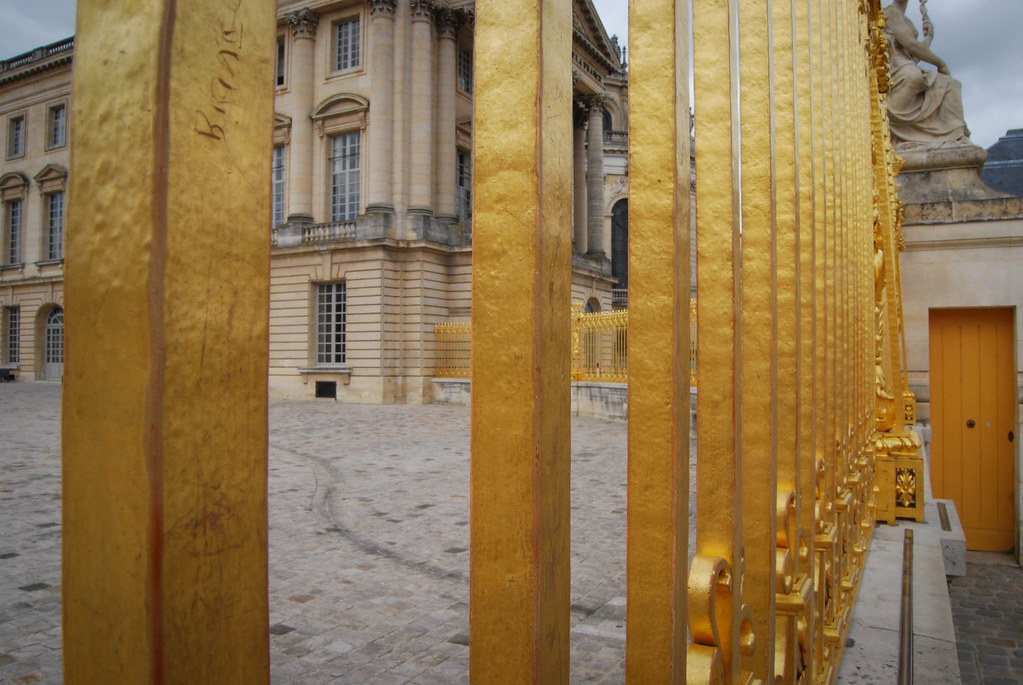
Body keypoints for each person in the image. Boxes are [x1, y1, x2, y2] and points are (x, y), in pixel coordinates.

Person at [883, 0, 974, 150]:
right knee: (921, 78)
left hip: (907, 68)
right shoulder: (890, 14)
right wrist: (941, 64)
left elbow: (912, 55)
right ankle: (949, 135)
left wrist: (929, 38)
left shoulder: (903, 18)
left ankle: (956, 135)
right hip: (897, 72)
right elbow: (911, 45)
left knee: (952, 84)